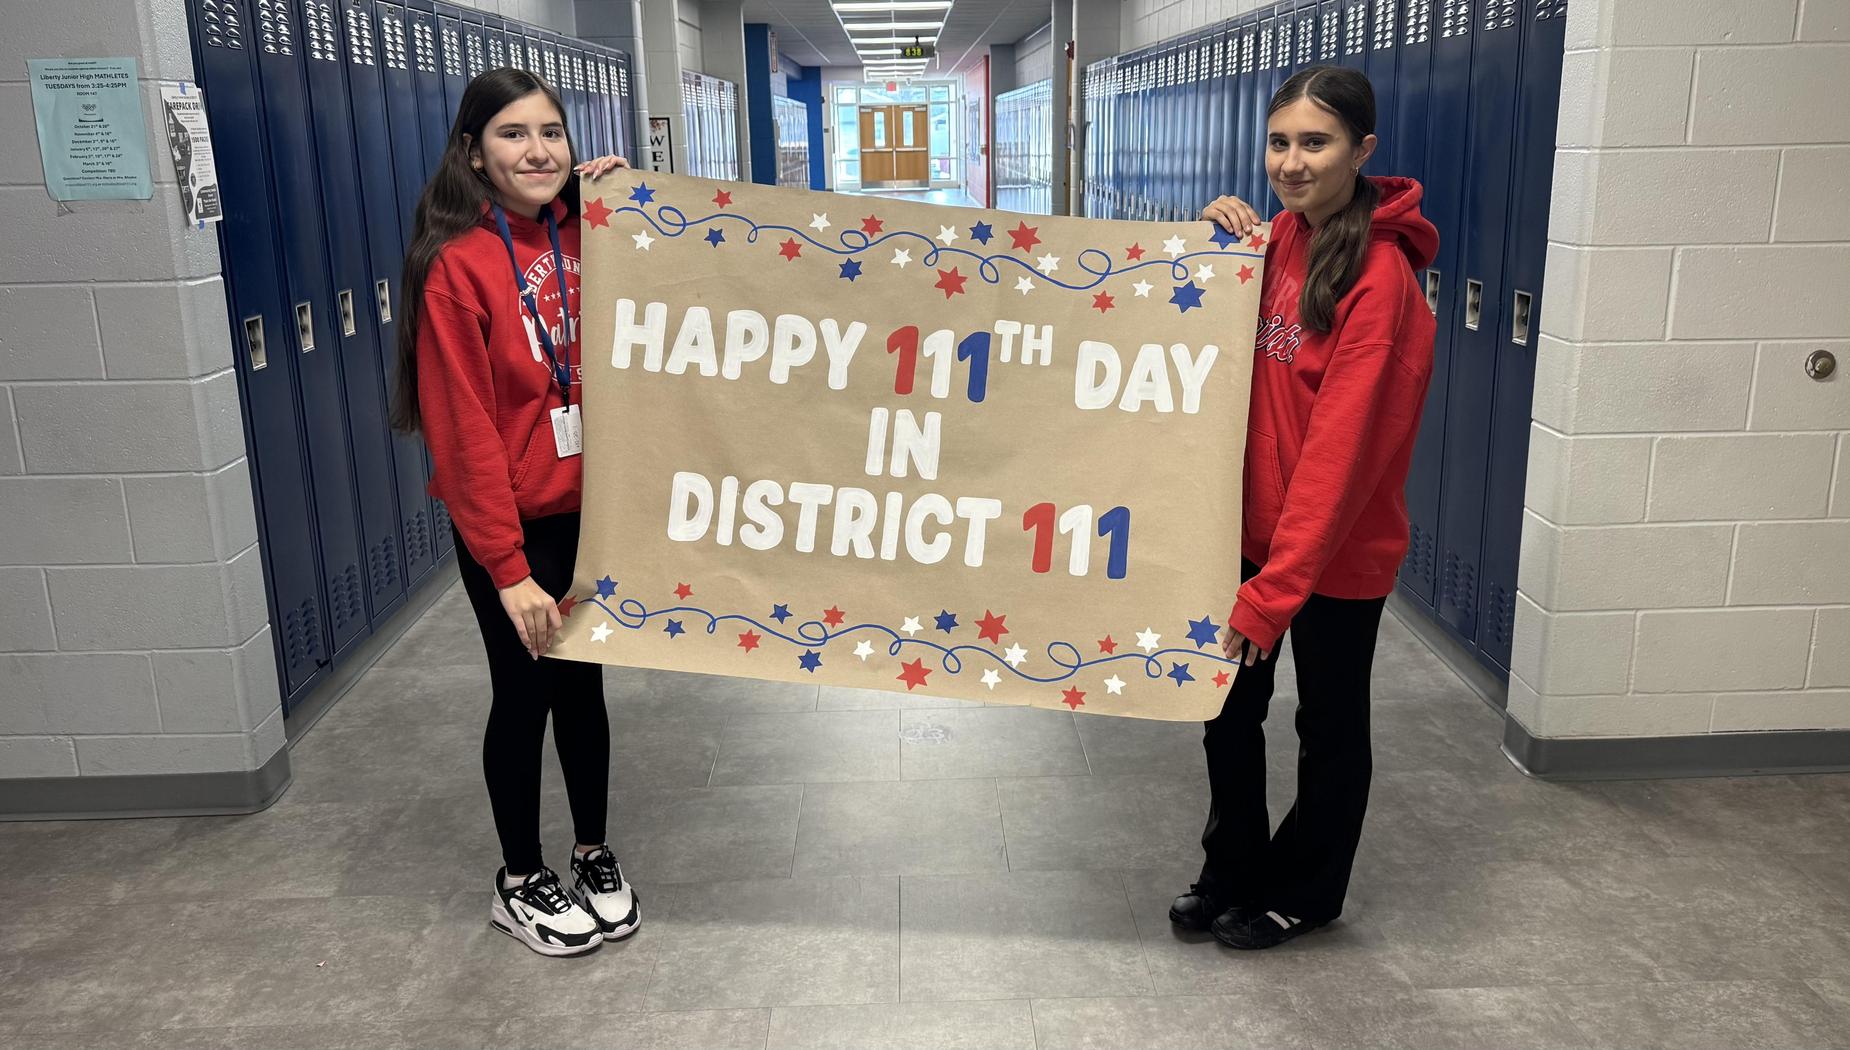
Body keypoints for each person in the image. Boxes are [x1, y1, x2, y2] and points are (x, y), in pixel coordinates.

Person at [1172, 64, 1439, 950]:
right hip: (1254, 534)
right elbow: (1208, 344)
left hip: (1335, 554)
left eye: (1315, 143)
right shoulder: (1283, 237)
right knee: (1227, 710)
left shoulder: (1381, 281)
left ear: (1362, 151)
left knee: (1327, 725)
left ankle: (1307, 891)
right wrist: (1214, 244)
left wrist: (1275, 587)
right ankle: (1232, 868)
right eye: (1280, 141)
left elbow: (1339, 459)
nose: (1291, 162)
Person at [389, 67, 637, 957]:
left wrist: (631, 201)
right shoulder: (456, 267)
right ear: (472, 153)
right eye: (513, 134)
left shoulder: (590, 233)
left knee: (585, 685)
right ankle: (521, 876)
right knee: (526, 692)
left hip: (590, 512)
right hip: (515, 526)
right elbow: (462, 437)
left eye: (551, 133)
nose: (538, 151)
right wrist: (508, 569)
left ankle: (592, 851)